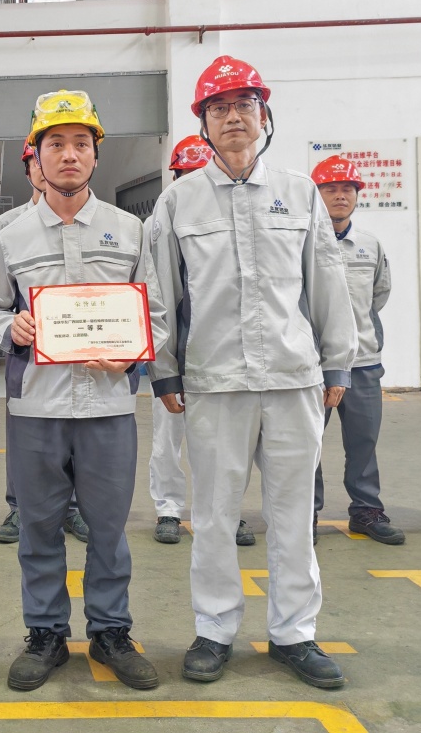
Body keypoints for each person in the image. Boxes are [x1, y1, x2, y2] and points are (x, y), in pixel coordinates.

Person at [147, 56, 356, 690]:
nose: (233, 116)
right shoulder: (177, 201)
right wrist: (165, 370)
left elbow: (326, 280)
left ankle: (295, 633)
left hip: (294, 379)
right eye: (219, 108)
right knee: (213, 515)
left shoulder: (300, 193)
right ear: (203, 123)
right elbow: (161, 293)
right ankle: (214, 629)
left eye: (244, 105)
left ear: (264, 115)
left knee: (293, 514)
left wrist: (337, 360)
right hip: (214, 383)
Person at [0, 91, 164, 692]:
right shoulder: (12, 235)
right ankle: (46, 634)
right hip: (37, 407)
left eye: (81, 143)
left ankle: (110, 631)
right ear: (36, 155)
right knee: (39, 528)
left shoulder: (129, 230)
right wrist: (10, 328)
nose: (69, 154)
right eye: (55, 143)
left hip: (108, 405)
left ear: (95, 154)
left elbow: (156, 315)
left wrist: (133, 350)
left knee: (108, 528)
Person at [150, 136, 256, 549]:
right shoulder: (160, 221)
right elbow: (154, 295)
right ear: (174, 177)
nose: (193, 181)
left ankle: (228, 510)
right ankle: (168, 509)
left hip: (221, 356)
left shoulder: (237, 224)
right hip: (174, 354)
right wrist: (161, 363)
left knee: (226, 444)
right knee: (168, 437)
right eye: (185, 174)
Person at [0, 142, 90, 547]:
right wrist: (12, 327)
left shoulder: (97, 221)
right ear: (31, 167)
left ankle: (73, 508)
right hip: (31, 358)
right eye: (34, 161)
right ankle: (19, 506)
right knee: (23, 437)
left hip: (86, 355)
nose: (41, 167)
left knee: (82, 436)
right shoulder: (10, 224)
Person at [310, 155, 403, 545]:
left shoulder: (369, 244)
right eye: (330, 189)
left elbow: (378, 295)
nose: (339, 195)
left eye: (347, 188)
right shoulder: (301, 242)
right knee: (307, 442)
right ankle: (306, 513)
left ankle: (366, 510)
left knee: (364, 441)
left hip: (363, 363)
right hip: (312, 365)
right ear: (316, 195)